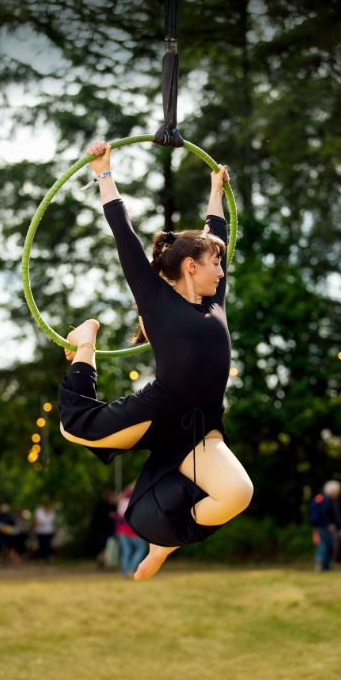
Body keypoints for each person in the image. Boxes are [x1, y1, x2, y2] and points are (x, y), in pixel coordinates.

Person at [58, 140, 253, 580]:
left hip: (201, 425)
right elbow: (124, 236)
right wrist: (104, 172)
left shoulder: (215, 301)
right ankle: (86, 341)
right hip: (160, 410)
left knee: (237, 493)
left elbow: (216, 232)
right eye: (214, 264)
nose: (222, 271)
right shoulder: (157, 302)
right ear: (190, 266)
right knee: (74, 428)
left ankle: (166, 539)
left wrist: (216, 191)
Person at [308, 480, 341, 571]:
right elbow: (325, 514)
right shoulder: (328, 500)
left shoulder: (321, 499)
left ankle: (325, 566)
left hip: (320, 526)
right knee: (325, 544)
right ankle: (320, 565)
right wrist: (329, 524)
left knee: (326, 544)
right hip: (326, 527)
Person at [115, 483, 148, 579]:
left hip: (121, 528)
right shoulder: (136, 496)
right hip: (132, 528)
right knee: (141, 549)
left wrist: (116, 529)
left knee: (126, 551)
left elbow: (118, 516)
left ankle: (125, 573)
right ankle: (131, 569)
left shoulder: (123, 498)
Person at [90, 489, 118, 567]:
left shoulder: (113, 506)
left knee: (108, 545)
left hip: (110, 530)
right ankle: (103, 559)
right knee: (106, 545)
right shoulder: (103, 506)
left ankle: (102, 559)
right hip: (103, 529)